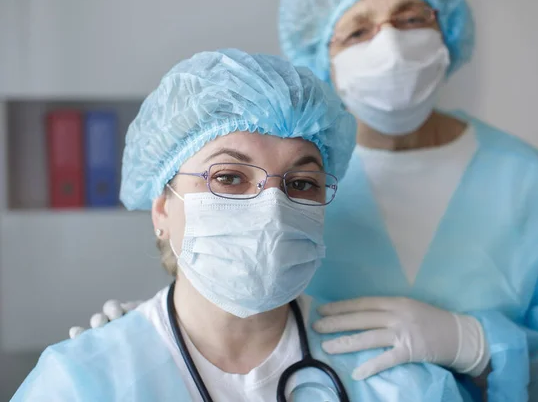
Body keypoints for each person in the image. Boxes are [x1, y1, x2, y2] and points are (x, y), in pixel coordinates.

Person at [70, 0, 538, 400]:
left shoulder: (525, 178)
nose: (389, 43)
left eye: (410, 17)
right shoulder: (295, 165)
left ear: (447, 30)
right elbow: (242, 279)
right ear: (321, 54)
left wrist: (481, 345)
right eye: (358, 29)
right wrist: (157, 336)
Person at [13, 50, 476, 402]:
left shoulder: (393, 379)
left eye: (301, 182)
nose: (272, 208)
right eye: (229, 177)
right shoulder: (84, 382)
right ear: (162, 209)